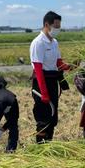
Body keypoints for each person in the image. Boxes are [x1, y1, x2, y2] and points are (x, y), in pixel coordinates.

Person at [30, 11, 72, 143]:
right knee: (43, 117)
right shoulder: (38, 43)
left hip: (53, 81)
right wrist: (44, 93)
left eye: (59, 26)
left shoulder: (54, 42)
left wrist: (69, 66)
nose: (57, 29)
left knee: (53, 117)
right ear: (47, 25)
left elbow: (58, 63)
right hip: (41, 83)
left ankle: (49, 143)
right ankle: (40, 147)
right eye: (56, 26)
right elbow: (38, 70)